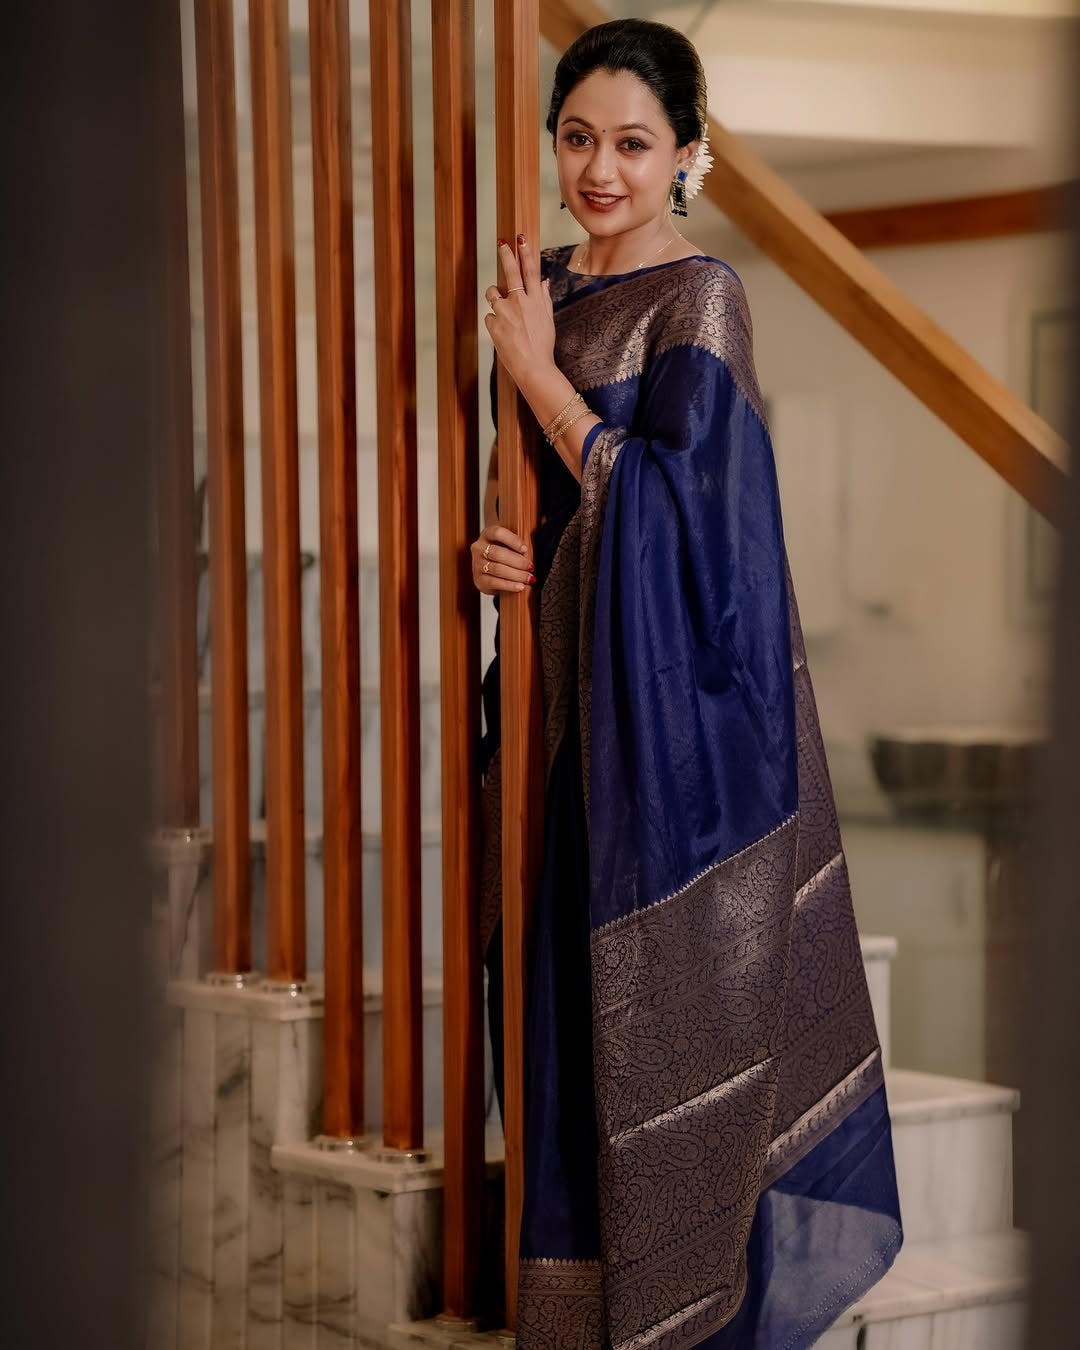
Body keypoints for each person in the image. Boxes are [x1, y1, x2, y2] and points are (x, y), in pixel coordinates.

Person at [473, 18, 903, 1348]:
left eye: (633, 143)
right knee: (553, 1020)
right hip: (558, 721)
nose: (599, 169)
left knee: (660, 1035)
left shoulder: (698, 297)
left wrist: (539, 378)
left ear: (687, 157)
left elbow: (701, 534)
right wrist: (496, 550)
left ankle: (682, 1313)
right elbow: (531, 497)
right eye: (577, 137)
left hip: (667, 742)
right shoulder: (538, 286)